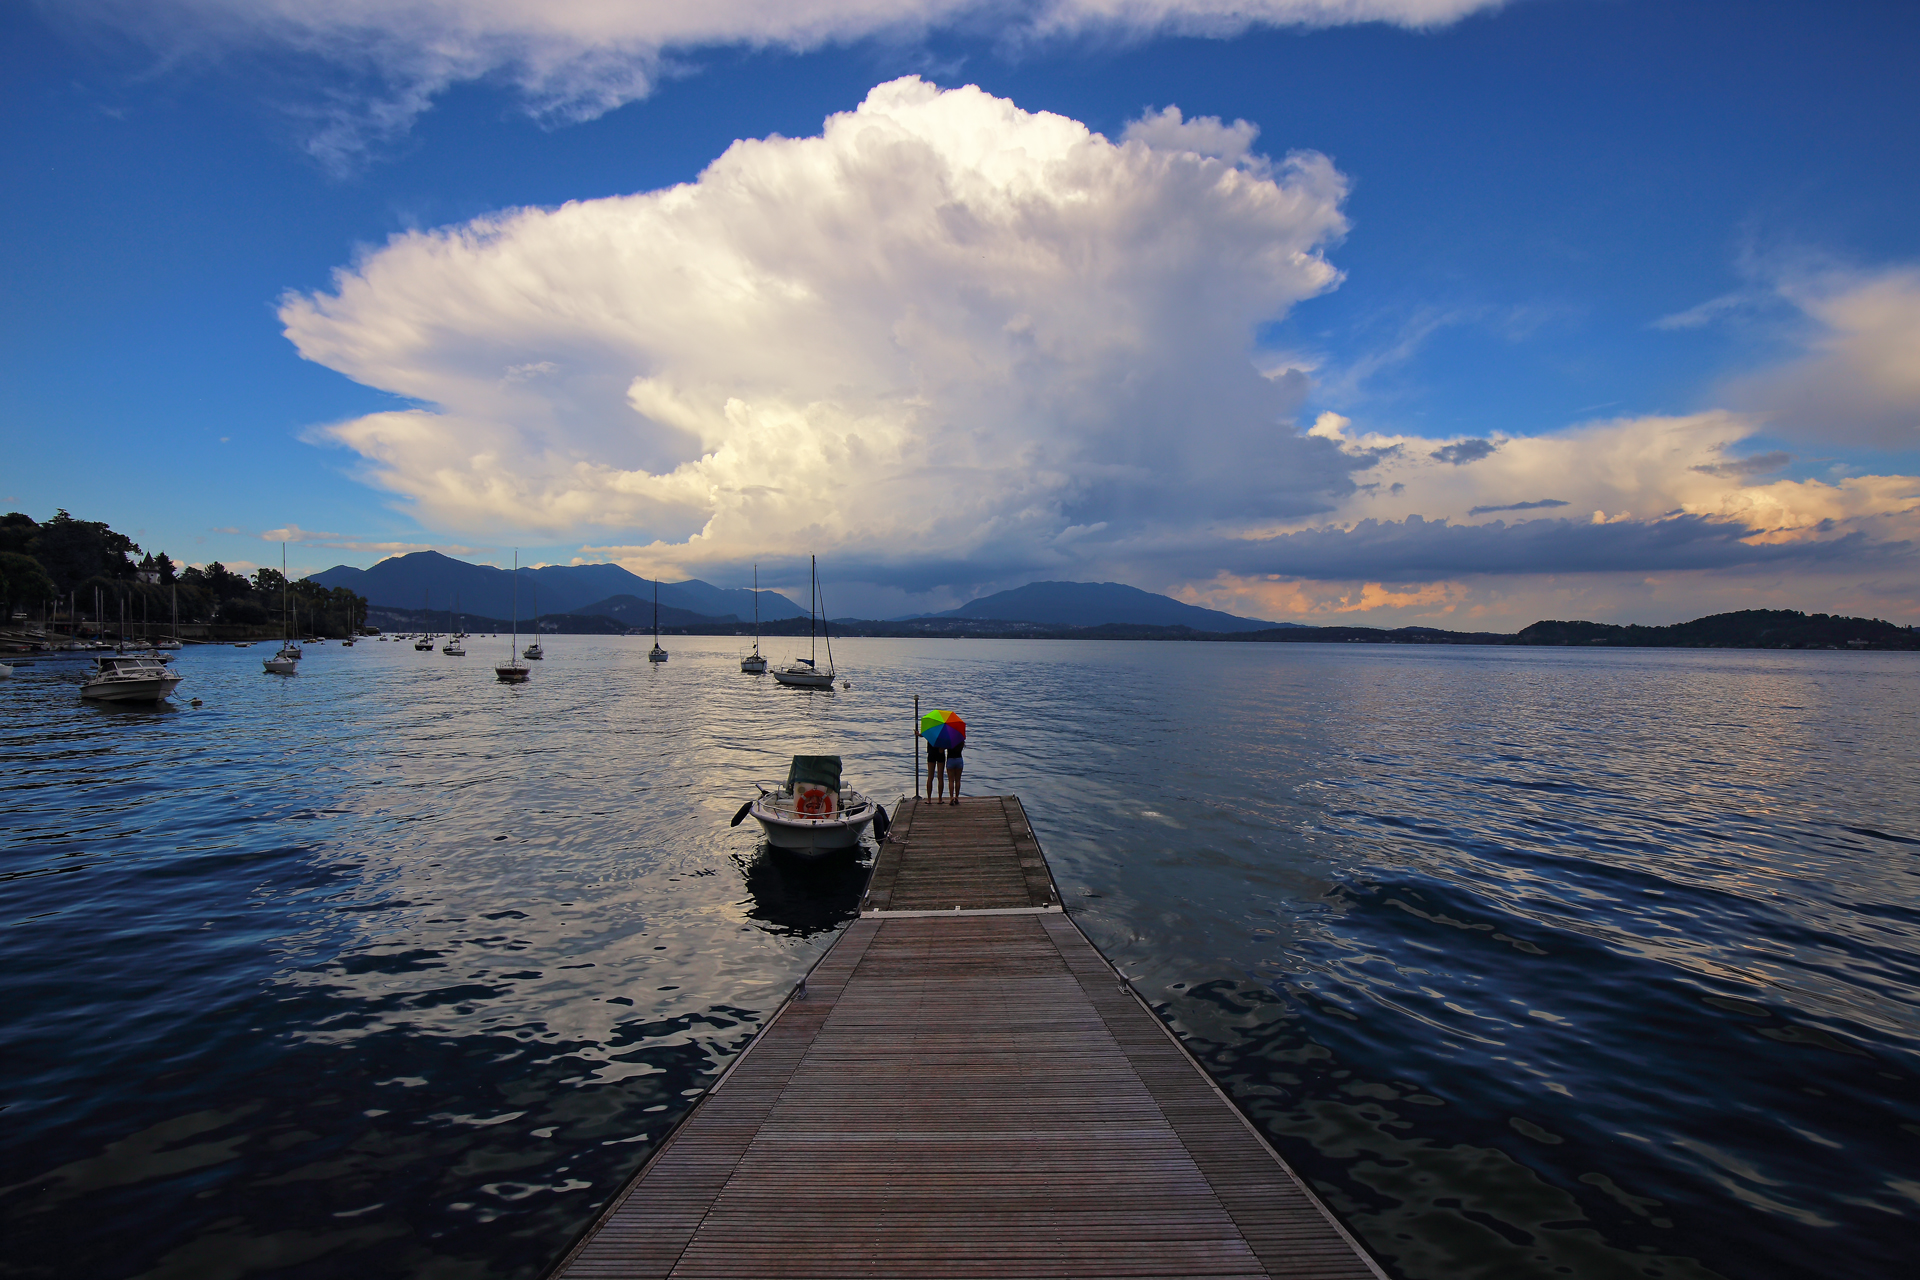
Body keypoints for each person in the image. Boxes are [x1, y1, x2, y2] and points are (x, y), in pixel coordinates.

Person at [945, 735, 963, 804]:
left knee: (951, 780)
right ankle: (957, 797)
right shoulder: (960, 740)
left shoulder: (948, 740)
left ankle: (951, 797)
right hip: (959, 759)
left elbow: (941, 750)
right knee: (958, 780)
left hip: (950, 760)